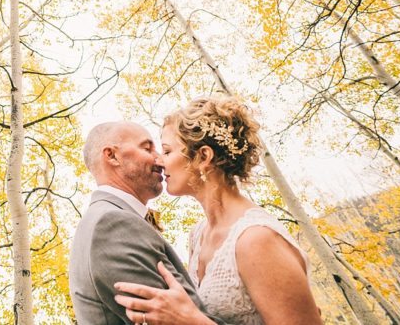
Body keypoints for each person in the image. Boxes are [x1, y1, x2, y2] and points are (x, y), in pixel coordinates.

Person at [113, 95, 322, 325]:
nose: (159, 162)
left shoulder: (257, 239)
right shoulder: (198, 236)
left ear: (203, 156)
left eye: (168, 151)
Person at [69, 121, 224, 324]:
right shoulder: (113, 225)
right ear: (112, 156)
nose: (159, 159)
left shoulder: (109, 220)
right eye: (147, 148)